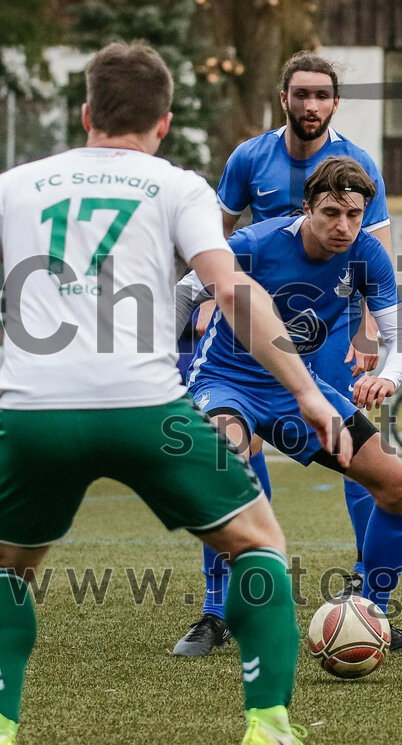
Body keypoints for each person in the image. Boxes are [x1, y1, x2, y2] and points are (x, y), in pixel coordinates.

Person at [0, 41, 345, 744]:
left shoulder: (14, 186)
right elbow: (232, 290)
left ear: (87, 112)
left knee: (9, 569)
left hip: (32, 412)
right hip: (147, 412)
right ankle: (268, 725)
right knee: (257, 546)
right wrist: (307, 391)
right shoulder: (175, 184)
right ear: (163, 123)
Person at [176, 50, 392, 656]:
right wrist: (212, 301)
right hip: (251, 341)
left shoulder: (357, 164)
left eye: (322, 95)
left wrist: (369, 330)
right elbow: (215, 240)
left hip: (329, 334)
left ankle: (370, 603)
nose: (311, 105)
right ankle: (221, 609)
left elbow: (379, 250)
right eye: (301, 94)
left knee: (361, 458)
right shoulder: (251, 157)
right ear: (285, 99)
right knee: (233, 455)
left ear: (335, 103)